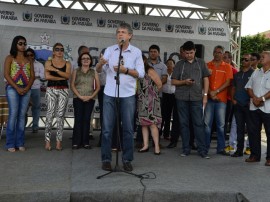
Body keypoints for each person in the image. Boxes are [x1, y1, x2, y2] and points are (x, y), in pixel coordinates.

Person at [96, 22, 145, 172]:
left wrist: (126, 70)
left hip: (128, 94)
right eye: (118, 32)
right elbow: (99, 71)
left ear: (130, 35)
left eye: (123, 32)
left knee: (128, 129)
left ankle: (127, 159)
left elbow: (141, 74)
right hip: (110, 93)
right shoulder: (110, 50)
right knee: (107, 129)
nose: (120, 34)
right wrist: (100, 63)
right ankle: (106, 159)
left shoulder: (136, 52)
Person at [171, 41, 210, 158]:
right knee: (183, 124)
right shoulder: (179, 64)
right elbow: (173, 81)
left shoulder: (201, 63)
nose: (188, 55)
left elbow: (206, 79)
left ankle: (202, 150)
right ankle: (186, 149)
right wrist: (184, 82)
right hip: (181, 97)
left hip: (196, 97)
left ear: (195, 51)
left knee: (199, 124)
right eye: (186, 53)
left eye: (191, 53)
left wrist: (205, 95)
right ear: (183, 52)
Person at [4, 35, 35, 152]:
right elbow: (6, 74)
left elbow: (32, 76)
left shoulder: (29, 60)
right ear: (15, 44)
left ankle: (20, 142)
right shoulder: (9, 58)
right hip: (12, 88)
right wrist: (16, 87)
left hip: (26, 89)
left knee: (22, 116)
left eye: (24, 44)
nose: (23, 46)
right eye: (20, 43)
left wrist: (27, 87)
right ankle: (10, 143)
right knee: (13, 115)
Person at [205, 45, 233, 155]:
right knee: (207, 125)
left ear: (223, 54)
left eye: (220, 52)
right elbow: (205, 80)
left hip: (221, 100)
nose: (217, 54)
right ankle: (205, 147)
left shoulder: (227, 67)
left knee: (221, 125)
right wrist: (211, 93)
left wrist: (215, 92)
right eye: (215, 52)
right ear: (213, 53)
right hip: (209, 98)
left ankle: (220, 148)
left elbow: (228, 82)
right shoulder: (207, 65)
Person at [44, 43, 71, 151]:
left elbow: (68, 76)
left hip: (63, 90)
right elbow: (47, 76)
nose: (60, 51)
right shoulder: (48, 62)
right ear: (53, 51)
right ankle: (47, 141)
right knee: (49, 115)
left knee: (60, 116)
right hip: (51, 89)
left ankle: (59, 142)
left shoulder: (67, 63)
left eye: (61, 49)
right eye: (57, 49)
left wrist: (55, 70)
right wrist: (61, 76)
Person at [245, 51, 270, 166]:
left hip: (268, 109)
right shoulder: (256, 72)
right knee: (253, 132)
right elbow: (248, 87)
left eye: (263, 56)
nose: (261, 58)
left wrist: (261, 99)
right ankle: (255, 155)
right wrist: (255, 98)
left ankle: (269, 158)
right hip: (254, 107)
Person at [71, 52, 100, 149]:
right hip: (77, 98)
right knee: (78, 119)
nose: (86, 60)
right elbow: (72, 85)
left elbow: (98, 87)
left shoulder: (94, 72)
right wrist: (79, 96)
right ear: (80, 60)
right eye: (83, 58)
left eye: (88, 58)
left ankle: (86, 142)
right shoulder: (76, 71)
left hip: (90, 99)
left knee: (87, 120)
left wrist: (91, 96)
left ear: (91, 60)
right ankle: (76, 142)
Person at [137, 55, 162, 154]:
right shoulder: (137, 71)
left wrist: (152, 95)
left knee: (152, 123)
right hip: (141, 100)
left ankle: (156, 146)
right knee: (143, 124)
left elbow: (159, 84)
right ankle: (145, 145)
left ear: (144, 60)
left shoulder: (150, 70)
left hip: (151, 100)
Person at [230, 54, 254, 157]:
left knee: (251, 129)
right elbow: (233, 88)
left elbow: (256, 89)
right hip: (238, 105)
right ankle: (239, 150)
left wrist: (251, 101)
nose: (243, 61)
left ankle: (253, 152)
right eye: (242, 59)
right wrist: (233, 99)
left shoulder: (254, 74)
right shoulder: (237, 74)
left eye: (246, 60)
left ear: (251, 62)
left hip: (249, 106)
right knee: (239, 129)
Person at [148, 44, 167, 138]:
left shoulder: (163, 66)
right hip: (145, 95)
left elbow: (164, 79)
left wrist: (156, 86)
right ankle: (141, 140)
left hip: (158, 95)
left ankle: (156, 140)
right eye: (151, 51)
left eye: (155, 51)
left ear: (158, 53)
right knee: (144, 117)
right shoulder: (144, 64)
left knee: (157, 118)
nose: (153, 53)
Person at [26, 48, 45, 133]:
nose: (30, 56)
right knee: (24, 108)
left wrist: (33, 76)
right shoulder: (23, 64)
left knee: (36, 107)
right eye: (28, 55)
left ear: (34, 55)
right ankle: (22, 126)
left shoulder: (39, 64)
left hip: (35, 88)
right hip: (24, 88)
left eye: (31, 55)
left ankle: (35, 126)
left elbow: (43, 76)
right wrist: (36, 76)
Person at [222, 51, 238, 153]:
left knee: (227, 122)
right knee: (221, 123)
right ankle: (222, 142)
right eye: (223, 58)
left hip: (229, 100)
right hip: (220, 99)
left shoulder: (234, 71)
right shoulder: (219, 68)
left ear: (230, 59)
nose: (224, 60)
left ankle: (227, 143)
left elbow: (235, 87)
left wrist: (233, 99)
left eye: (226, 58)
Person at [161, 58, 176, 141]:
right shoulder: (164, 73)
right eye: (168, 63)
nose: (169, 65)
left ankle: (166, 134)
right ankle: (159, 132)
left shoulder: (176, 73)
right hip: (165, 95)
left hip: (173, 96)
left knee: (169, 115)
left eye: (171, 63)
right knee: (163, 115)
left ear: (174, 65)